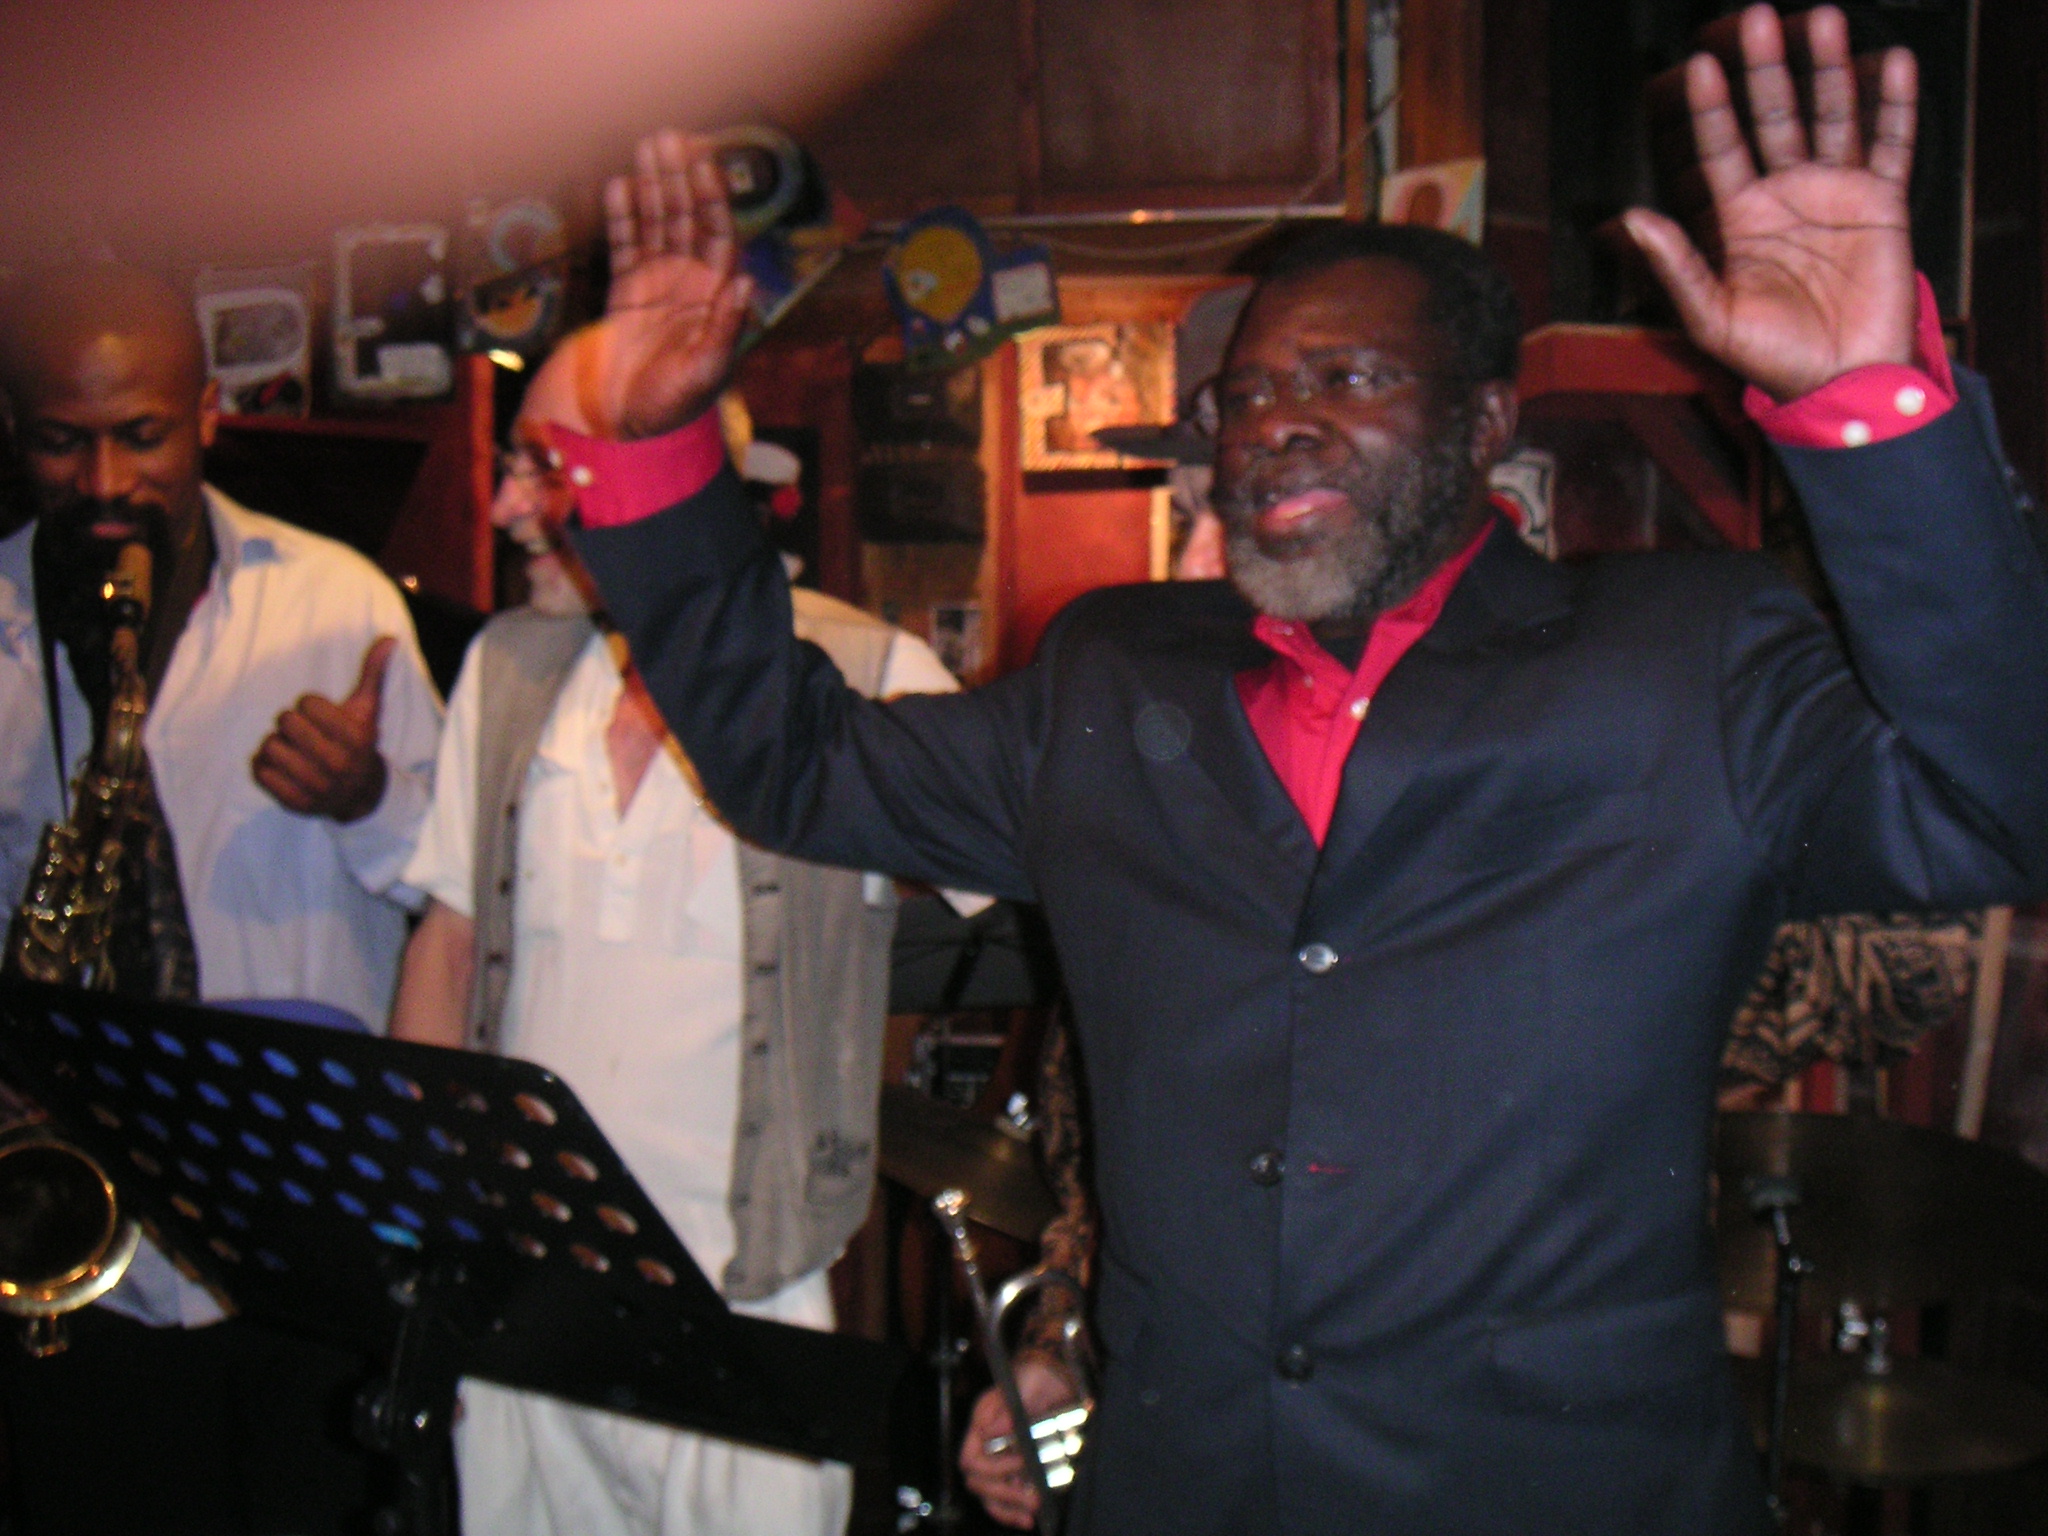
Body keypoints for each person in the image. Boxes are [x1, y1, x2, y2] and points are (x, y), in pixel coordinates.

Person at [556, 7, 2048, 1530]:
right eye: (1251, 396)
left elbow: (2001, 808)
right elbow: (792, 764)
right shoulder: (1109, 679)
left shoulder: (1680, 663)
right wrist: (658, 451)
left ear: (1483, 423)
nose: (1279, 426)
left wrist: (1870, 408)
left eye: (1348, 378)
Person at [388, 331, 962, 1536]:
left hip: (748, 1301)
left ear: (676, 479)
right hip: (528, 1296)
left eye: (544, 469)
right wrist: (431, 1220)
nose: (504, 509)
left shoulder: (866, 665)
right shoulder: (507, 666)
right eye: (509, 468)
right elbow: (446, 942)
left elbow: (1031, 912)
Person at [0, 261, 444, 1534]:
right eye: (60, 442)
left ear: (206, 413)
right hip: (79, 1265)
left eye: (142, 435)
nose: (104, 483)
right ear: (12, 432)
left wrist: (368, 797)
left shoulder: (335, 604)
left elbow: (460, 893)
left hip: (305, 1230)